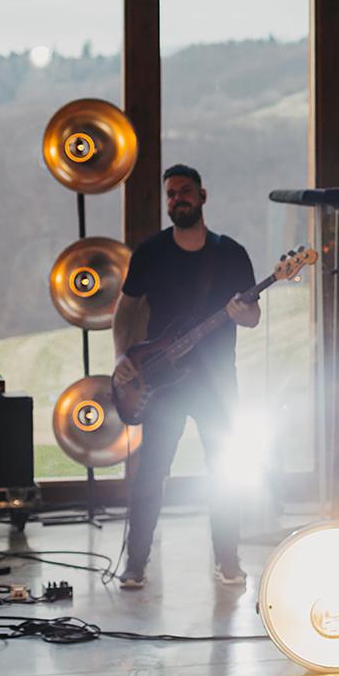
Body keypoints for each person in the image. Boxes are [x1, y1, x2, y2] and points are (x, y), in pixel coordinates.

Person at [111, 164, 260, 590]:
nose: (178, 199)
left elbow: (252, 318)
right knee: (150, 473)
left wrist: (240, 311)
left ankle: (227, 561)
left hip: (216, 383)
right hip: (162, 383)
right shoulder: (151, 252)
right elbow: (126, 310)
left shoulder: (230, 253)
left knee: (226, 472)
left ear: (203, 196)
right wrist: (122, 356)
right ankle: (135, 563)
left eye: (185, 192)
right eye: (171, 194)